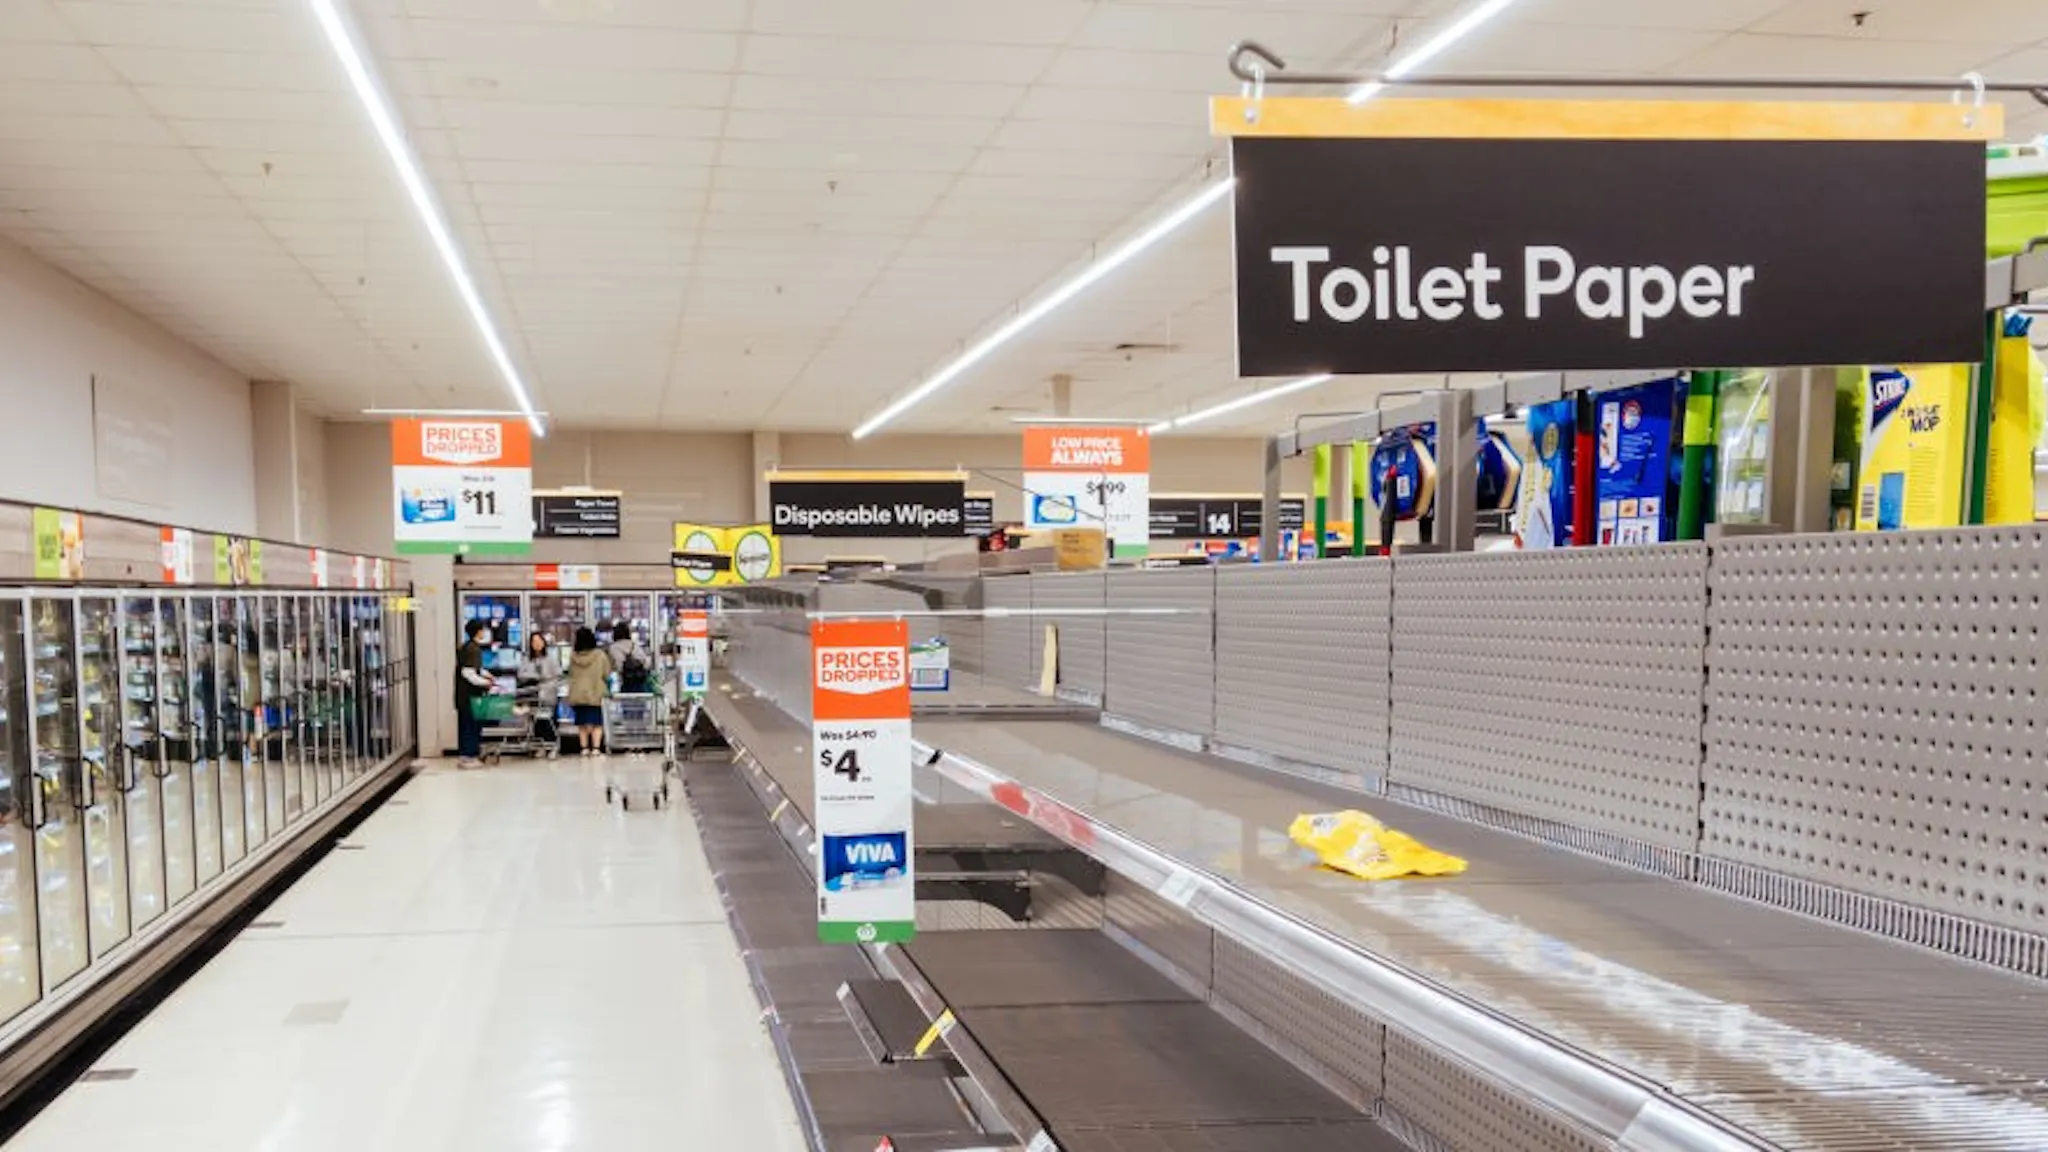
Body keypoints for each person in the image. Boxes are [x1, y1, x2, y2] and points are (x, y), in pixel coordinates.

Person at [454, 619, 494, 769]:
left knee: (468, 725)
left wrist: (487, 674)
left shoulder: (467, 647)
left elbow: (474, 669)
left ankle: (468, 755)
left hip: (464, 696)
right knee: (470, 726)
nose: (484, 632)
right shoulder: (473, 649)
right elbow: (468, 673)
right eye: (483, 630)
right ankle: (468, 757)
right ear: (478, 631)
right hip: (469, 696)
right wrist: (486, 683)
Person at [566, 626, 612, 756]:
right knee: (597, 722)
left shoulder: (573, 656)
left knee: (582, 723)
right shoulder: (600, 655)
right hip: (596, 692)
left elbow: (570, 673)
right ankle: (596, 748)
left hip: (578, 694)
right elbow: (606, 673)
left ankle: (584, 748)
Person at [516, 632, 563, 751]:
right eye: (534, 642)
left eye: (539, 641)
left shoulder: (551, 658)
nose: (537, 644)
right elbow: (521, 674)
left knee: (549, 720)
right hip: (532, 694)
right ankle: (539, 746)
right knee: (536, 721)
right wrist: (534, 676)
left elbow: (558, 674)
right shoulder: (526, 659)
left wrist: (545, 679)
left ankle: (552, 746)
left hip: (548, 694)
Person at [606, 621, 651, 694]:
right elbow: (646, 664)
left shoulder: (613, 648)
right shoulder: (635, 645)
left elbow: (614, 667)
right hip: (639, 683)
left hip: (624, 682)